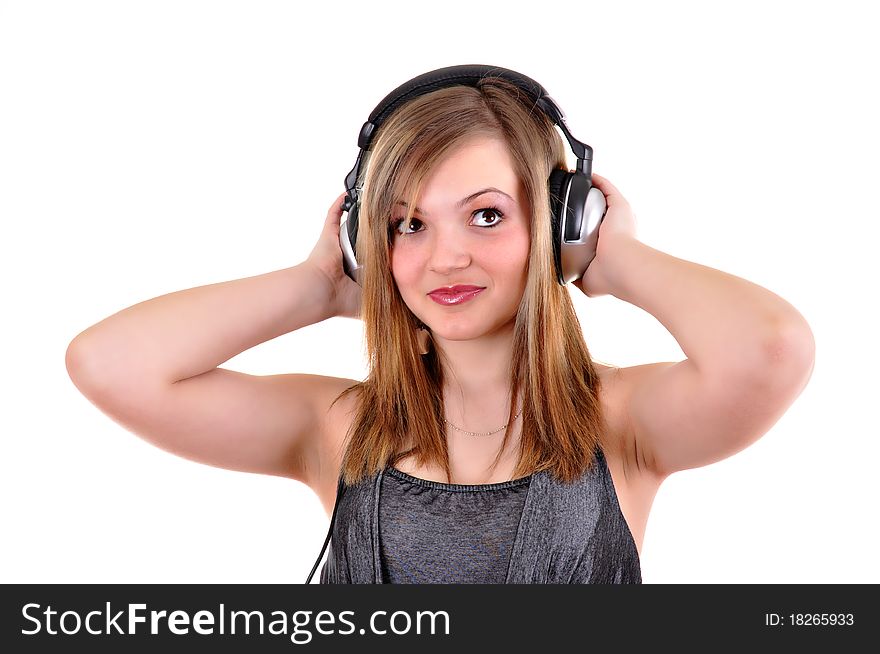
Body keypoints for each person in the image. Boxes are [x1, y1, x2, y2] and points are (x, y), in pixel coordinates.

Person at [65, 65, 816, 584]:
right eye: (408, 224)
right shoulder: (339, 430)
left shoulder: (621, 423)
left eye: (486, 215)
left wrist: (610, 261)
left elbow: (771, 347)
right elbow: (108, 363)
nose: (445, 257)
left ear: (557, 224)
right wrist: (316, 286)